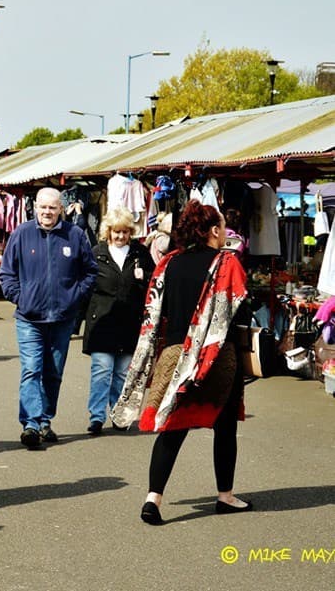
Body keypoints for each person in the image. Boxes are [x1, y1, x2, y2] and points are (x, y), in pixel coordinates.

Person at [111, 200, 253, 525]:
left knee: (172, 428)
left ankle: (153, 499)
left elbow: (154, 312)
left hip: (175, 354)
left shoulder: (168, 263)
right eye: (221, 228)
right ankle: (225, 496)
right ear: (214, 230)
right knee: (225, 427)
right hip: (217, 357)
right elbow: (239, 309)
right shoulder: (227, 263)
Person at [0, 187, 98, 450]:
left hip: (63, 318)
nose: (47, 212)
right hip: (29, 318)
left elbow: (90, 272)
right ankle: (31, 424)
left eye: (52, 208)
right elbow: (6, 273)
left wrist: (75, 297)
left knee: (53, 373)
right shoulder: (22, 234)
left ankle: (45, 419)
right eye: (43, 207)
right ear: (35, 208)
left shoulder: (74, 235)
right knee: (31, 369)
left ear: (61, 209)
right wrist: (20, 298)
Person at [82, 208, 155, 435]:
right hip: (102, 321)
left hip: (130, 321)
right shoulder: (96, 253)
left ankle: (118, 413)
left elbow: (155, 283)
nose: (121, 236)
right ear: (109, 231)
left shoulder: (140, 253)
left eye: (125, 232)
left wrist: (144, 278)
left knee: (123, 372)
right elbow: (84, 286)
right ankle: (96, 416)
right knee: (102, 370)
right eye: (116, 232)